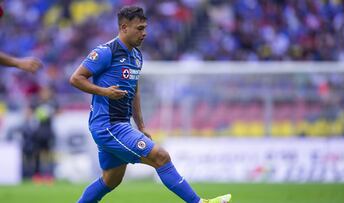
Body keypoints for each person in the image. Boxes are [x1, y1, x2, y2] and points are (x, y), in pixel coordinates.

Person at [70, 6, 231, 203]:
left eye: (145, 28)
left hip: (121, 125)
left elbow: (134, 92)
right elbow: (76, 78)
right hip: (108, 126)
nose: (144, 33)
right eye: (139, 28)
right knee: (161, 157)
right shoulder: (105, 52)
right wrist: (105, 92)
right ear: (124, 27)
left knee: (110, 180)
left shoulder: (137, 56)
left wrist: (141, 126)